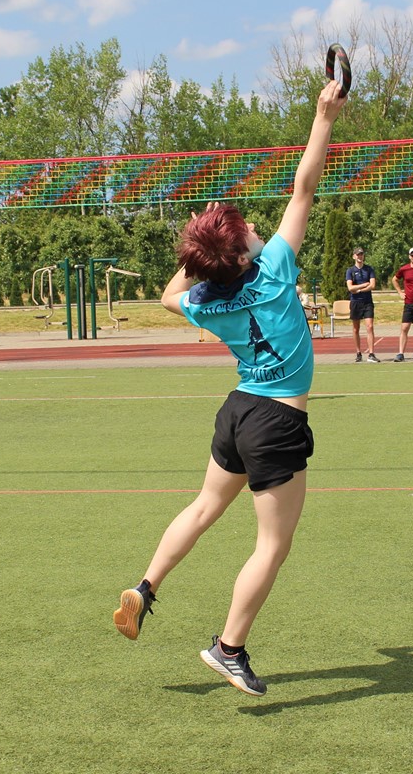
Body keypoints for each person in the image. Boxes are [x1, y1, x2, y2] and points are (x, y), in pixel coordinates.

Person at [112, 79, 347, 697]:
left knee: (203, 507)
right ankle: (229, 648)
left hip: (238, 411)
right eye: (243, 235)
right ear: (241, 257)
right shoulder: (274, 270)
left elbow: (169, 295)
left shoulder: (205, 301)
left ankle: (144, 587)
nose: (252, 231)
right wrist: (324, 117)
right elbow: (304, 186)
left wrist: (200, 250)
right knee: (273, 544)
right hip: (275, 421)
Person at [346, 247, 380, 362]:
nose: (360, 256)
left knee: (369, 326)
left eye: (361, 254)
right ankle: (358, 353)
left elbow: (372, 285)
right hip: (355, 302)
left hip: (367, 302)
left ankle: (371, 353)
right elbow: (350, 288)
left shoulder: (369, 269)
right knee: (356, 328)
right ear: (354, 256)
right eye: (358, 255)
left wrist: (360, 289)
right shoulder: (350, 271)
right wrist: (363, 285)